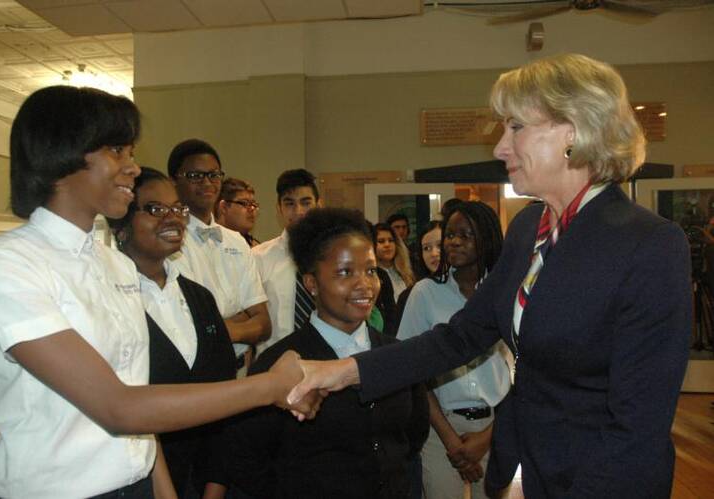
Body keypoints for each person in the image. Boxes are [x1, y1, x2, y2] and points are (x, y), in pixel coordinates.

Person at [287, 53, 692, 499]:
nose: (500, 147)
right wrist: (342, 372)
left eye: (516, 127)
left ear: (573, 132)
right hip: (530, 470)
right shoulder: (528, 229)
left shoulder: (649, 246)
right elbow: (459, 337)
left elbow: (638, 426)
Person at [0, 86, 319, 499]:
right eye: (118, 151)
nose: (133, 168)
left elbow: (139, 404)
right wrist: (270, 387)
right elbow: (118, 406)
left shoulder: (114, 264)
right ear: (60, 154)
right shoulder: (6, 266)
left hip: (134, 485)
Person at [226, 207, 429, 499]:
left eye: (370, 271)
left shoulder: (395, 354)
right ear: (311, 283)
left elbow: (412, 435)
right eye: (345, 272)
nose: (364, 284)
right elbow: (247, 456)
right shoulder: (279, 364)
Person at [108, 167, 238, 499]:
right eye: (155, 209)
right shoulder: (108, 301)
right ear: (121, 227)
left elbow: (225, 398)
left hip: (206, 482)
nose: (173, 218)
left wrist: (215, 488)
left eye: (177, 208)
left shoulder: (200, 298)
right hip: (137, 484)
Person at [397, 202, 511, 499]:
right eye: (449, 234)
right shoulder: (425, 293)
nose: (454, 241)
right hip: (440, 429)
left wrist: (487, 438)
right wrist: (452, 442)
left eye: (466, 235)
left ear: (486, 239)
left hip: (494, 426)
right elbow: (411, 372)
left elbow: (528, 369)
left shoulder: (503, 293)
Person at [168, 139, 270, 374]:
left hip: (242, 370)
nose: (207, 182)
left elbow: (264, 323)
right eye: (195, 175)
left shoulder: (236, 241)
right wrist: (243, 318)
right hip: (198, 371)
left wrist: (218, 327)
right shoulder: (170, 242)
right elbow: (188, 327)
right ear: (174, 181)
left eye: (214, 175)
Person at [252, 169, 321, 351]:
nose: (298, 211)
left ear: (318, 205)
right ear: (279, 208)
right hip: (273, 363)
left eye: (306, 203)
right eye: (289, 204)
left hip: (326, 364)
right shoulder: (258, 258)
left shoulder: (333, 255)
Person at [373, 222, 415, 301]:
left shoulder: (406, 272)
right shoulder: (372, 275)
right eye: (381, 241)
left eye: (391, 240)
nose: (387, 245)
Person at [215, 177, 260, 247]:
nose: (252, 208)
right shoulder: (210, 243)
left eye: (254, 204)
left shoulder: (257, 249)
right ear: (224, 207)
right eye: (244, 203)